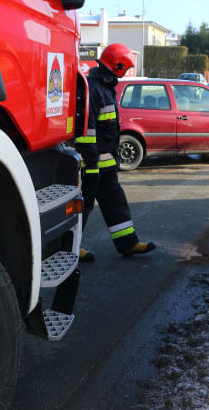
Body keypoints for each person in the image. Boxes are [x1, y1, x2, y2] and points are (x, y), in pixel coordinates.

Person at [75, 44, 157, 261]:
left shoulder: (105, 87)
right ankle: (70, 250)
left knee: (116, 203)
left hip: (106, 163)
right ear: (118, 66)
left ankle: (128, 244)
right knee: (82, 208)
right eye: (126, 68)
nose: (127, 72)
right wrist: (90, 164)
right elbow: (86, 130)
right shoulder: (94, 88)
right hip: (92, 164)